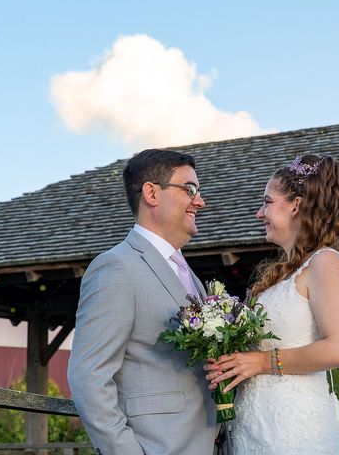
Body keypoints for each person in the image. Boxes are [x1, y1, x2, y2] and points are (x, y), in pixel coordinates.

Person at [204, 154, 339, 454]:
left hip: (295, 431)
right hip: (255, 428)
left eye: (267, 202)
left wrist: (260, 362)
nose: (259, 213)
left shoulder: (326, 262)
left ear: (296, 205)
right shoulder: (282, 273)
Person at [69, 149, 217, 454]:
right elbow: (89, 376)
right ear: (151, 193)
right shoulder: (116, 268)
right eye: (190, 189)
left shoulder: (190, 276)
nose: (199, 201)